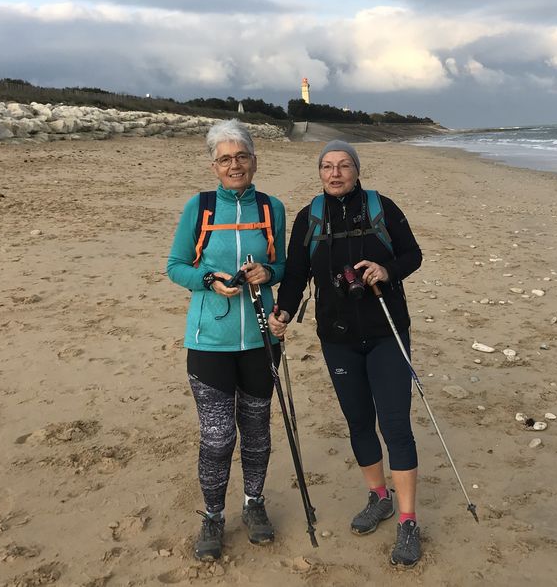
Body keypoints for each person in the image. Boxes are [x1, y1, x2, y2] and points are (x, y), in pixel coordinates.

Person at [269, 140, 424, 568]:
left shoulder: (381, 207)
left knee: (395, 425)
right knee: (358, 422)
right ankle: (379, 498)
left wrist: (386, 269)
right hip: (336, 336)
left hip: (386, 333)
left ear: (357, 170)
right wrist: (281, 310)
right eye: (327, 167)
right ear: (319, 173)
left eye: (343, 166)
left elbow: (414, 254)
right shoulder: (308, 218)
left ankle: (408, 520)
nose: (335, 174)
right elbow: (296, 273)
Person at [166, 119, 286, 561]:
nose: (234, 165)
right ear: (213, 165)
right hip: (209, 342)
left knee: (256, 431)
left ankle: (254, 505)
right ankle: (213, 515)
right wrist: (209, 279)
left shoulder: (273, 208)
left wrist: (268, 273)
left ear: (254, 160)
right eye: (225, 159)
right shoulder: (199, 208)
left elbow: (285, 265)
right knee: (217, 438)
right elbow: (175, 266)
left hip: (260, 341)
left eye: (241, 156)